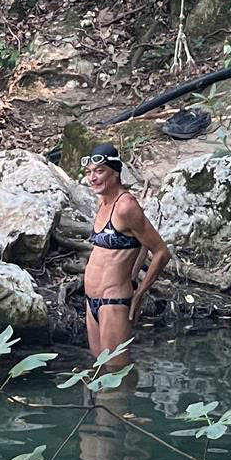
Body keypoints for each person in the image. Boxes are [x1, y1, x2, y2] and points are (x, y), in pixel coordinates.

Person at [81, 143, 170, 364]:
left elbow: (161, 252)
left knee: (115, 379)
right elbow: (138, 244)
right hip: (91, 301)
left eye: (99, 171)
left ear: (115, 172)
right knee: (98, 369)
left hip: (114, 302)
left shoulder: (126, 206)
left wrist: (139, 293)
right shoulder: (102, 202)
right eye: (89, 172)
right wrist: (132, 273)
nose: (93, 178)